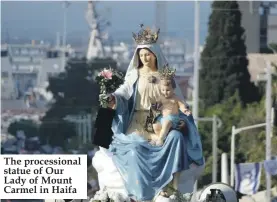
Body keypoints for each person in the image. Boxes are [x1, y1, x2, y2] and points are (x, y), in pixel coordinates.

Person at [92, 25, 205, 201]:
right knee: (135, 148)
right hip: (138, 123)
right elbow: (123, 92)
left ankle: (169, 187)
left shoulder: (165, 78)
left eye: (147, 55)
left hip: (162, 121)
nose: (144, 58)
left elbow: (177, 100)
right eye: (141, 55)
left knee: (175, 139)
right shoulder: (134, 75)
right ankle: (142, 194)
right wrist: (113, 98)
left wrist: (183, 120)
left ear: (155, 55)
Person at [151, 65, 191, 147]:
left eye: (168, 90)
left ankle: (161, 139)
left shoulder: (175, 98)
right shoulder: (161, 98)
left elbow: (182, 106)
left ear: (173, 89)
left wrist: (185, 110)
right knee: (155, 126)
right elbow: (155, 103)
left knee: (166, 123)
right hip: (162, 118)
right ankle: (160, 138)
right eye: (163, 90)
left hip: (173, 119)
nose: (165, 92)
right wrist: (154, 106)